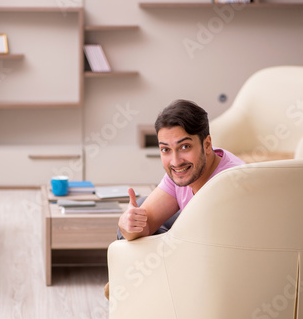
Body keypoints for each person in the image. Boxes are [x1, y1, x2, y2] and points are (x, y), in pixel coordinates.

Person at [105, 99, 245, 298]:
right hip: (191, 244)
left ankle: (129, 284)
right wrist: (127, 224)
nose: (175, 161)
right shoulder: (182, 173)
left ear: (207, 144)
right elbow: (143, 226)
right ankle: (129, 282)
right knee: (141, 212)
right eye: (165, 150)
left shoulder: (229, 182)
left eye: (185, 147)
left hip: (215, 263)